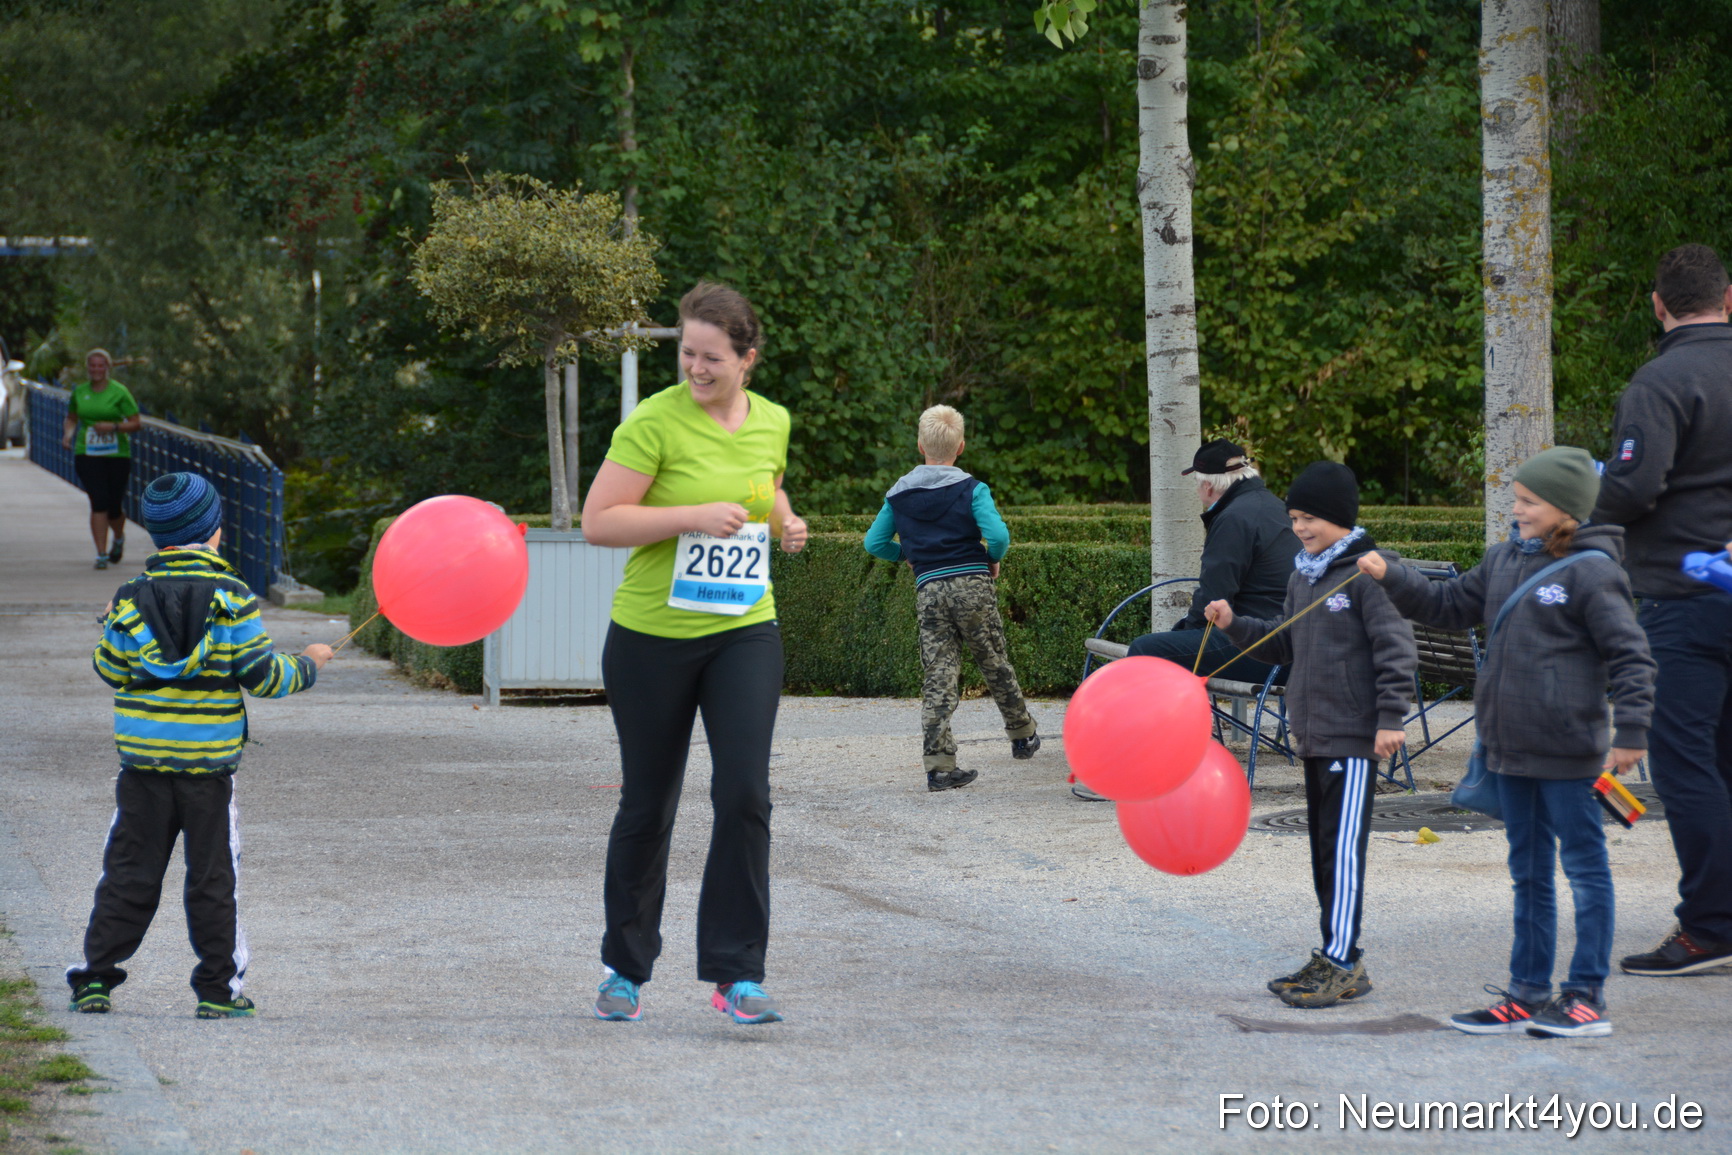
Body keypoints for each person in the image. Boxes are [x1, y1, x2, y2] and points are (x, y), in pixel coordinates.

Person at [1361, 448, 1655, 1038]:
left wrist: (1632, 732)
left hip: (1569, 754)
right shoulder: (1500, 560)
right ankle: (1525, 992)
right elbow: (1447, 606)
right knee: (1528, 874)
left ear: (1565, 509)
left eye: (1528, 501)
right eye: (1516, 498)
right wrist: (1391, 575)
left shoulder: (1593, 571)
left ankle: (1586, 996)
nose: (1514, 510)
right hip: (1509, 750)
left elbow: (1631, 656)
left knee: (1586, 871)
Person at [580, 282, 808, 1026]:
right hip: (651, 638)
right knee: (649, 802)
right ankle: (624, 968)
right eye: (687, 353)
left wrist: (785, 517)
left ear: (748, 358)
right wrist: (691, 518)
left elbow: (763, 482)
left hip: (745, 628)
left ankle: (737, 972)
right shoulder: (653, 423)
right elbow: (599, 522)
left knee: (745, 792)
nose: (696, 369)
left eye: (712, 357)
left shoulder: (773, 419)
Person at [67, 473, 332, 1018]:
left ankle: (94, 978)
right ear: (213, 532)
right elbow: (262, 676)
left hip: (142, 766)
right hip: (208, 769)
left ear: (159, 538)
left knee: (129, 871)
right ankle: (217, 991)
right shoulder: (232, 597)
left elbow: (110, 669)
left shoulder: (130, 596)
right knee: (213, 878)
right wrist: (309, 663)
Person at [1206, 461, 1414, 1008]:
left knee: (1342, 854)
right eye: (1295, 517)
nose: (1300, 527)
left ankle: (1343, 961)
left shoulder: (1368, 573)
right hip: (1316, 737)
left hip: (1354, 738)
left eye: (1312, 518)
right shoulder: (1305, 575)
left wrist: (1391, 717)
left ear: (1343, 518)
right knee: (1324, 853)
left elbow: (1396, 652)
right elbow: (1283, 644)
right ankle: (1336, 954)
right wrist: (1233, 624)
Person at [1590, 243, 1732, 977]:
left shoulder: (1661, 380)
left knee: (1685, 759)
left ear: (1658, 304)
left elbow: (1636, 487)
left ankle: (1711, 924)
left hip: (1685, 591)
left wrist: (1586, 498)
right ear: (1729, 298)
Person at [862, 405, 1040, 792]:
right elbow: (1000, 538)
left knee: (938, 675)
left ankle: (940, 766)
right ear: (960, 446)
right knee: (993, 660)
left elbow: (873, 542)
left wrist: (908, 558)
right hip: (972, 586)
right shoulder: (972, 489)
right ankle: (1022, 735)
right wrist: (989, 560)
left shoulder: (898, 495)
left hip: (930, 590)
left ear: (919, 445)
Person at [1128, 438, 1300, 684]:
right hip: (1289, 642)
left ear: (1207, 486)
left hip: (1261, 645)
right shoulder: (1273, 504)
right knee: (1175, 639)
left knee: (1145, 650)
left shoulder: (1233, 517)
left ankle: (1154, 723)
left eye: (1197, 487)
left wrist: (1186, 637)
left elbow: (1213, 597)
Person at [60, 348, 142, 570]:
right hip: (87, 452)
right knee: (99, 500)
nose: (96, 369)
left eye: (100, 365)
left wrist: (113, 426)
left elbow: (136, 423)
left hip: (116, 454)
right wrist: (68, 435)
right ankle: (101, 554)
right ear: (88, 368)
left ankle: (118, 537)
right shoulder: (80, 392)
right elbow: (71, 418)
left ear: (108, 368)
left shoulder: (120, 392)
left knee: (114, 505)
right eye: (92, 365)